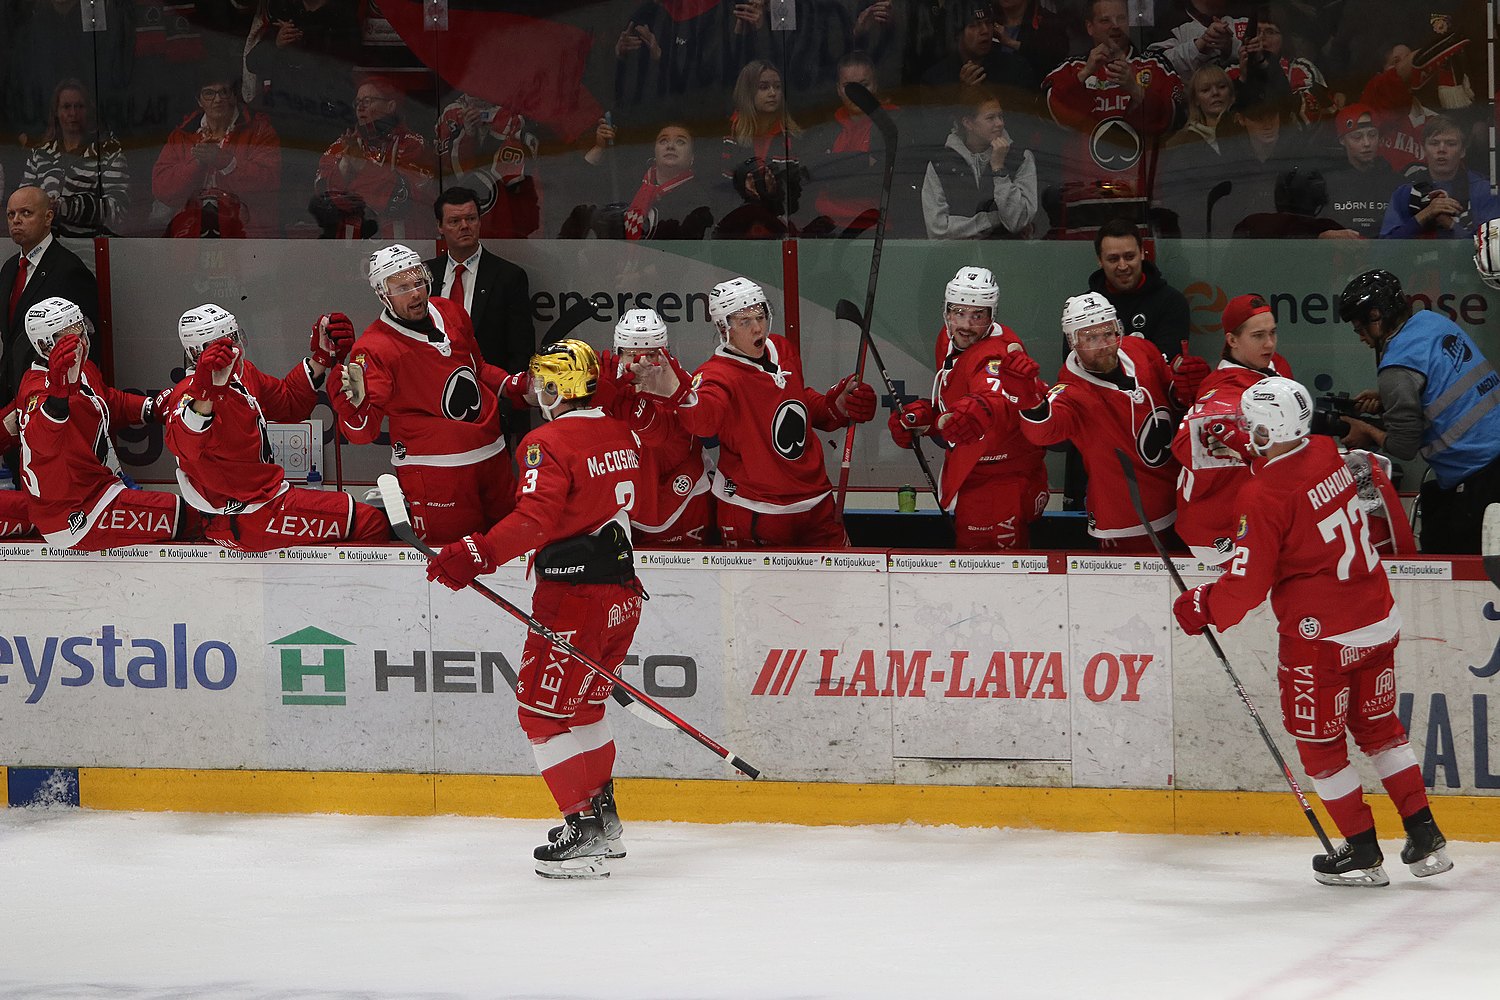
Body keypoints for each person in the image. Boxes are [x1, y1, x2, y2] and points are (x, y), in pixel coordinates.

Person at [1173, 376, 1452, 887]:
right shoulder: (1325, 449)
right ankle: (1425, 833)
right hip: (1375, 618)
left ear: (1271, 429)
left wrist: (1200, 606)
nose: (1247, 433)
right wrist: (1244, 442)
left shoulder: (1261, 496)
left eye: (1253, 427)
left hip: (1320, 637)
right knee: (1381, 731)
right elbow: (1287, 463)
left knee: (1320, 745)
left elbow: (1245, 585)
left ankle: (1363, 852)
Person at [424, 339, 645, 880]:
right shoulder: (623, 432)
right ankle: (604, 821)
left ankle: (582, 826)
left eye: (546, 382)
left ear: (561, 388)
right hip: (623, 598)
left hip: (574, 600)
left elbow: (534, 521)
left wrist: (475, 553)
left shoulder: (547, 442)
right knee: (586, 711)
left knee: (540, 715)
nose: (539, 392)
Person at [640, 277, 876, 548]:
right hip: (756, 511)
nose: (757, 328)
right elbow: (703, 420)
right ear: (723, 327)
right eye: (744, 321)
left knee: (845, 587)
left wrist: (836, 406)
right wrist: (679, 394)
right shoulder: (716, 375)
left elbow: (794, 401)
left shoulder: (782, 348)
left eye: (761, 316)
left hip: (817, 503)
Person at [331, 244, 520, 545]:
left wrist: (514, 385)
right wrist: (350, 412)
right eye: (402, 287)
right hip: (437, 474)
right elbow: (363, 433)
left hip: (492, 455)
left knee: (513, 547)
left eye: (418, 281)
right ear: (382, 293)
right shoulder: (374, 350)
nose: (416, 293)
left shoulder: (450, 311)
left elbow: (477, 369)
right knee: (452, 561)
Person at [163, 303, 388, 552]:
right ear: (198, 353)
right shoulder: (188, 394)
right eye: (222, 346)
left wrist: (322, 358)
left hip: (261, 506)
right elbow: (186, 445)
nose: (235, 350)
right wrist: (206, 394)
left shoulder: (243, 374)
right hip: (247, 515)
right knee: (371, 522)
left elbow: (289, 402)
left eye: (235, 338)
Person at [1000, 292, 1208, 549]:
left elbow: (1172, 398)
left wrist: (1186, 389)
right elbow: (1045, 432)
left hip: (1183, 499)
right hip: (1128, 523)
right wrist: (1029, 402)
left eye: (1108, 333)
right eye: (1090, 338)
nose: (1103, 345)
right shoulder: (1071, 392)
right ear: (1073, 341)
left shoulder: (1140, 349)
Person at [15, 297, 201, 549]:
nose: (81, 343)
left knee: (191, 510)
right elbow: (42, 441)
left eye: (80, 331)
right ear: (44, 345)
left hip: (101, 490)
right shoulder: (36, 391)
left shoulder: (84, 369)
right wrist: (58, 398)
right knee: (193, 518)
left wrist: (152, 406)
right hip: (76, 516)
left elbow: (106, 401)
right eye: (68, 337)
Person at [1337, 268, 1500, 554]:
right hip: (1493, 456)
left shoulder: (1396, 368)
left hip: (1478, 476)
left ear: (1376, 316)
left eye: (1360, 328)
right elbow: (1445, 385)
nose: (1361, 337)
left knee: (1447, 554)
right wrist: (1389, 399)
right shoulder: (1432, 322)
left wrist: (1368, 432)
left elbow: (1404, 446)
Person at [887, 266, 1047, 549]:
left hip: (1004, 483)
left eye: (977, 315)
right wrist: (927, 419)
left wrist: (980, 409)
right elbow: (953, 401)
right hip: (973, 474)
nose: (966, 325)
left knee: (996, 573)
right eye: (958, 313)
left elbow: (993, 394)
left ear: (992, 315)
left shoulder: (997, 353)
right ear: (946, 312)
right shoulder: (946, 339)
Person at [1171, 293, 1296, 564]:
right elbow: (1185, 442)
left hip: (1259, 516)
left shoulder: (1275, 366)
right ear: (1232, 340)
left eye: (1273, 332)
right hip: (1218, 530)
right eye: (1258, 336)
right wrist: (1238, 437)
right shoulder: (1222, 391)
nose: (1270, 343)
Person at [1042, 0, 1180, 238]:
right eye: (1105, 20)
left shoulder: (1154, 67)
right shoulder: (1069, 69)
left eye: (1121, 19)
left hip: (1142, 205)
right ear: (1090, 27)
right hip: (1083, 207)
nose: (1115, 26)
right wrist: (1085, 74)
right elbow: (1051, 117)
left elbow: (1173, 120)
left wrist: (1135, 89)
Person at [425, 187, 537, 443]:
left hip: (490, 404)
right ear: (440, 226)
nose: (465, 226)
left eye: (471, 219)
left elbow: (521, 349)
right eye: (455, 221)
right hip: (432, 403)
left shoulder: (509, 277)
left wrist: (506, 402)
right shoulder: (425, 276)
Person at [607, 309, 713, 546]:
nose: (641, 363)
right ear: (618, 353)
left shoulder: (682, 385)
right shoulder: (607, 387)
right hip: (627, 505)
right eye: (632, 354)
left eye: (651, 354)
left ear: (664, 353)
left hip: (683, 499)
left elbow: (671, 435)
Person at [151, 67, 283, 238]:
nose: (218, 99)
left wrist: (228, 163)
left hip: (247, 236)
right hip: (190, 237)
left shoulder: (260, 131)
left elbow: (270, 183)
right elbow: (162, 189)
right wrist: (197, 162)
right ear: (199, 101)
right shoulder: (182, 135)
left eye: (224, 92)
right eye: (209, 93)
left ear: (234, 97)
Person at [2, 187, 101, 409]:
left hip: (51, 399)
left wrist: (65, 401)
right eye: (11, 214)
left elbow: (86, 346)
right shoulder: (9, 269)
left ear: (48, 217)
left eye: (26, 213)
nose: (16, 220)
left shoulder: (69, 271)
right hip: (13, 396)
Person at [310, 77, 437, 240]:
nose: (360, 107)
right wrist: (344, 168)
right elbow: (323, 201)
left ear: (390, 106)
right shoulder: (342, 145)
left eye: (368, 101)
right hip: (352, 249)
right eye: (358, 102)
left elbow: (403, 200)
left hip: (403, 249)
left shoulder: (414, 144)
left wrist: (360, 168)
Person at [921, 87, 1037, 240]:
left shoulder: (1021, 157)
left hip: (1008, 257)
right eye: (991, 118)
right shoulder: (940, 163)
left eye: (1000, 116)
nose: (999, 123)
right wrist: (989, 221)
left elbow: (1018, 221)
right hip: (955, 259)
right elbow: (937, 229)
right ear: (968, 123)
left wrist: (999, 170)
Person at [21, 79, 130, 238]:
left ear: (90, 110)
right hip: (45, 252)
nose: (73, 113)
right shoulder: (40, 153)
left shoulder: (109, 151)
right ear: (56, 112)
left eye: (79, 106)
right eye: (66, 107)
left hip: (93, 252)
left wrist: (64, 207)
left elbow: (119, 210)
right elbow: (22, 201)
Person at [804, 52, 895, 238]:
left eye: (864, 85)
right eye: (848, 87)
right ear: (838, 89)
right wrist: (862, 163)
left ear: (875, 85)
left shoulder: (891, 123)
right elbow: (812, 172)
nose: (857, 94)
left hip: (874, 230)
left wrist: (832, 174)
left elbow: (879, 181)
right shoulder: (826, 129)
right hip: (826, 226)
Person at [433, 93, 542, 240]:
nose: (478, 94)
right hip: (467, 220)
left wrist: (494, 129)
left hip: (506, 220)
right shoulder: (451, 114)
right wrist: (468, 134)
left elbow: (519, 182)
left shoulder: (516, 114)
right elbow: (447, 172)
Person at [717, 60, 805, 238]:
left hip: (783, 228)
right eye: (764, 87)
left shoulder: (793, 136)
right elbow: (722, 192)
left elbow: (799, 195)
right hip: (739, 229)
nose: (773, 93)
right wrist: (746, 192)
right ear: (747, 93)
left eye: (778, 87)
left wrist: (773, 194)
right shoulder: (731, 133)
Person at [1380, 115, 1500, 239]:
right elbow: (1386, 247)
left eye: (1451, 143)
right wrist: (1427, 213)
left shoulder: (1484, 190)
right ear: (1424, 149)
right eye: (1434, 143)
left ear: (1463, 150)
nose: (1441, 149)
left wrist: (1449, 223)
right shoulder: (1404, 193)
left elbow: (1492, 247)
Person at [1086, 219, 1190, 363]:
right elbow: (1073, 367)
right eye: (1113, 259)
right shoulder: (1083, 309)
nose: (1122, 266)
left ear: (1141, 253)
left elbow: (1167, 366)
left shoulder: (1171, 302)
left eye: (1129, 257)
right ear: (1100, 260)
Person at [1324, 104, 1399, 238]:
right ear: (1342, 140)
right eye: (1357, 137)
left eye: (1372, 135)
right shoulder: (1327, 183)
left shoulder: (1396, 183)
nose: (1366, 143)